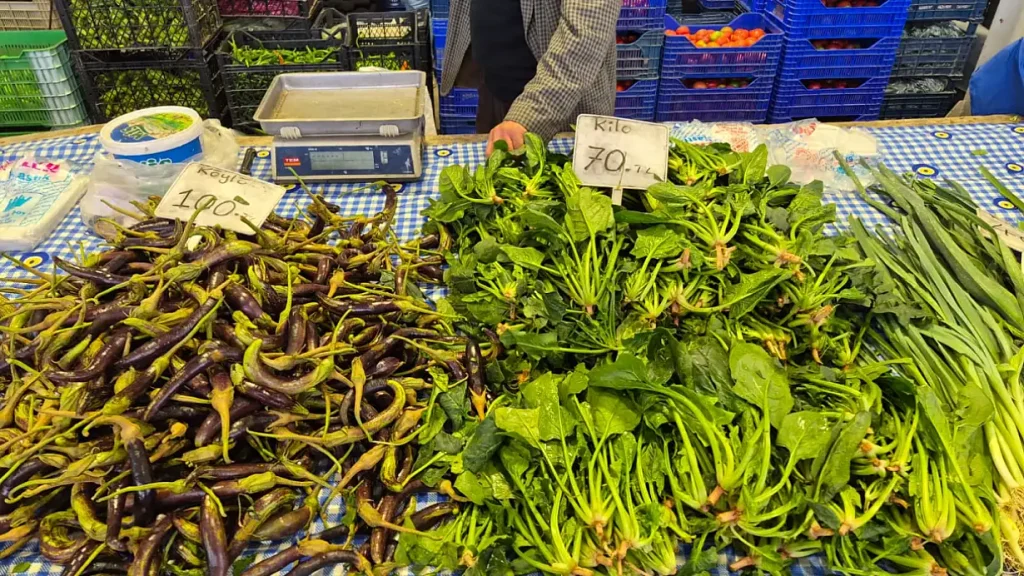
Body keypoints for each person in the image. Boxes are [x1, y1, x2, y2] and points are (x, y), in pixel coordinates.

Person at [438, 0, 622, 155]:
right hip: (493, 88)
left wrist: (527, 117)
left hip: (559, 104)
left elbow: (583, 40)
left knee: (559, 181)